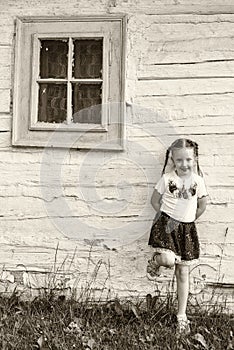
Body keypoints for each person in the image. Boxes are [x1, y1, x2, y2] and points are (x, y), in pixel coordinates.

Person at [147, 138, 208, 334]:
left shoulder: (198, 182)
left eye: (188, 159)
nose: (184, 164)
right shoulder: (167, 179)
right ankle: (155, 261)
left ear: (195, 159)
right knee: (168, 260)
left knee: (183, 272)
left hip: (187, 228)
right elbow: (154, 200)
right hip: (168, 223)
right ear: (172, 160)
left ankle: (181, 315)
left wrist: (188, 221)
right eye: (179, 160)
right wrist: (164, 219)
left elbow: (202, 205)